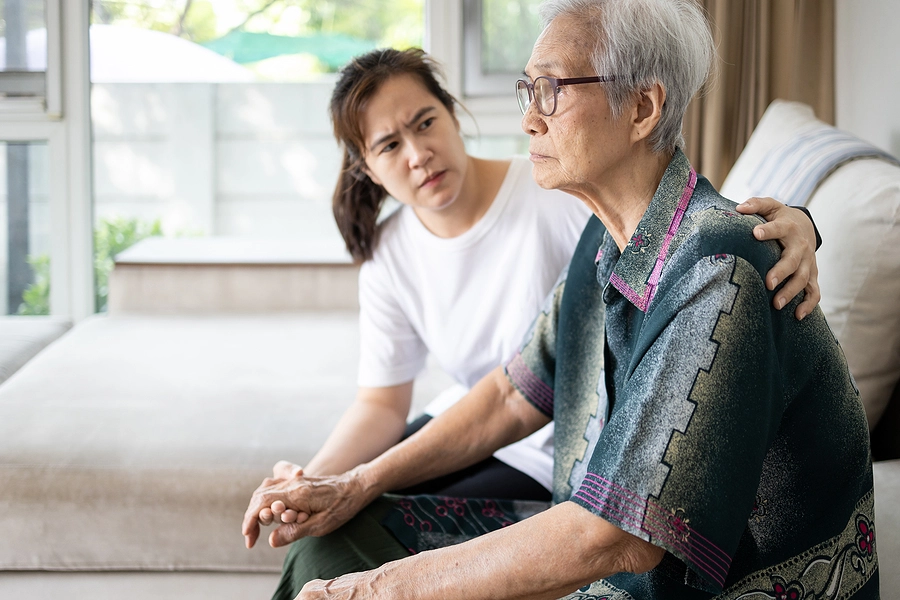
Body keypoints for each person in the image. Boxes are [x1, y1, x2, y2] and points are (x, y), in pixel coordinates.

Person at [242, 6, 876, 593]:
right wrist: (351, 483)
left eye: (550, 89)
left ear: (643, 108)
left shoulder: (717, 271)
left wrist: (375, 589)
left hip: (686, 579)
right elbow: (514, 393)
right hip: (585, 523)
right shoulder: (605, 234)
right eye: (527, 90)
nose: (528, 118)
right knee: (335, 541)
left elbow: (614, 540)